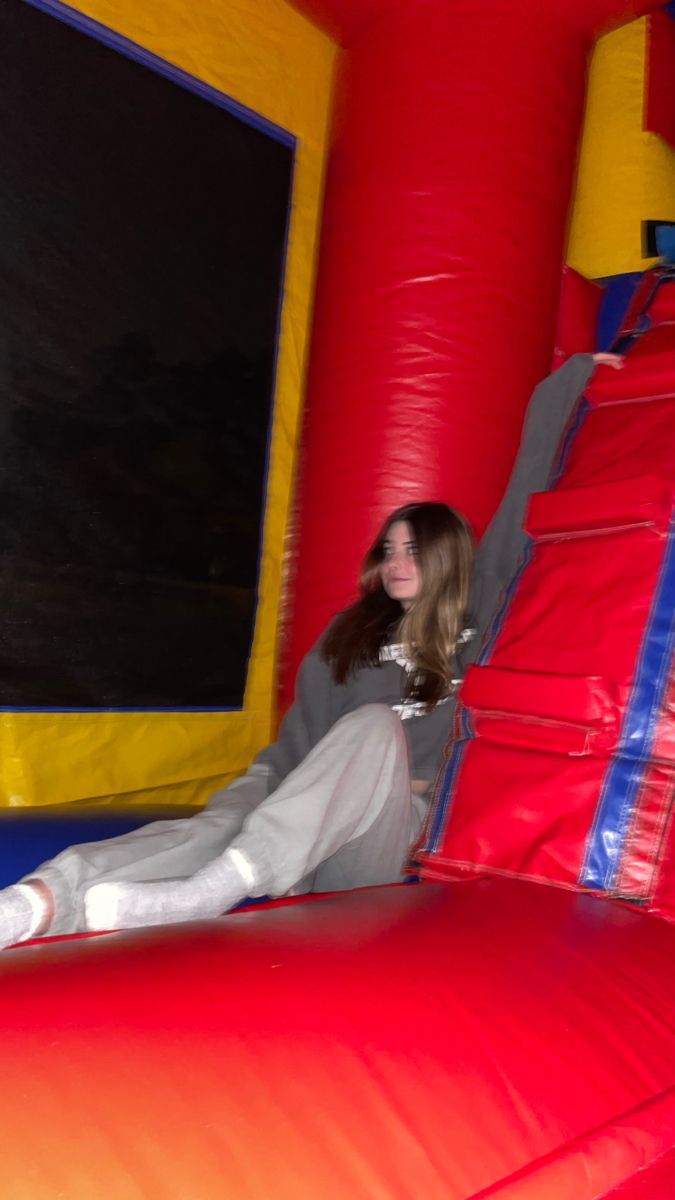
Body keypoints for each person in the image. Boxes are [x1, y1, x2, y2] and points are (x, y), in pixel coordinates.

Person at [0, 351, 623, 949]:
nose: (397, 562)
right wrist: (236, 807)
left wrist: (566, 385)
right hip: (296, 846)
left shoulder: (480, 621)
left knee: (376, 726)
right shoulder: (348, 636)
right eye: (389, 550)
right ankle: (40, 901)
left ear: (450, 557)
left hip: (386, 847)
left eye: (414, 549)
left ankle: (217, 886)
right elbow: (291, 752)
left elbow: (521, 505)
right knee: (215, 819)